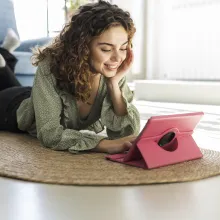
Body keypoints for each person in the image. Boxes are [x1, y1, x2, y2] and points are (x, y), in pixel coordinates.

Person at [0, 0, 140, 154]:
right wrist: (102, 144)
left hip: (35, 95)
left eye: (123, 48)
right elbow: (50, 135)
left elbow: (127, 134)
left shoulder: (112, 69)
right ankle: (5, 58)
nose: (117, 58)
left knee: (14, 82)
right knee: (7, 88)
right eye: (106, 49)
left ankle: (5, 58)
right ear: (82, 47)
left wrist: (113, 84)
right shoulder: (50, 66)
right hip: (10, 106)